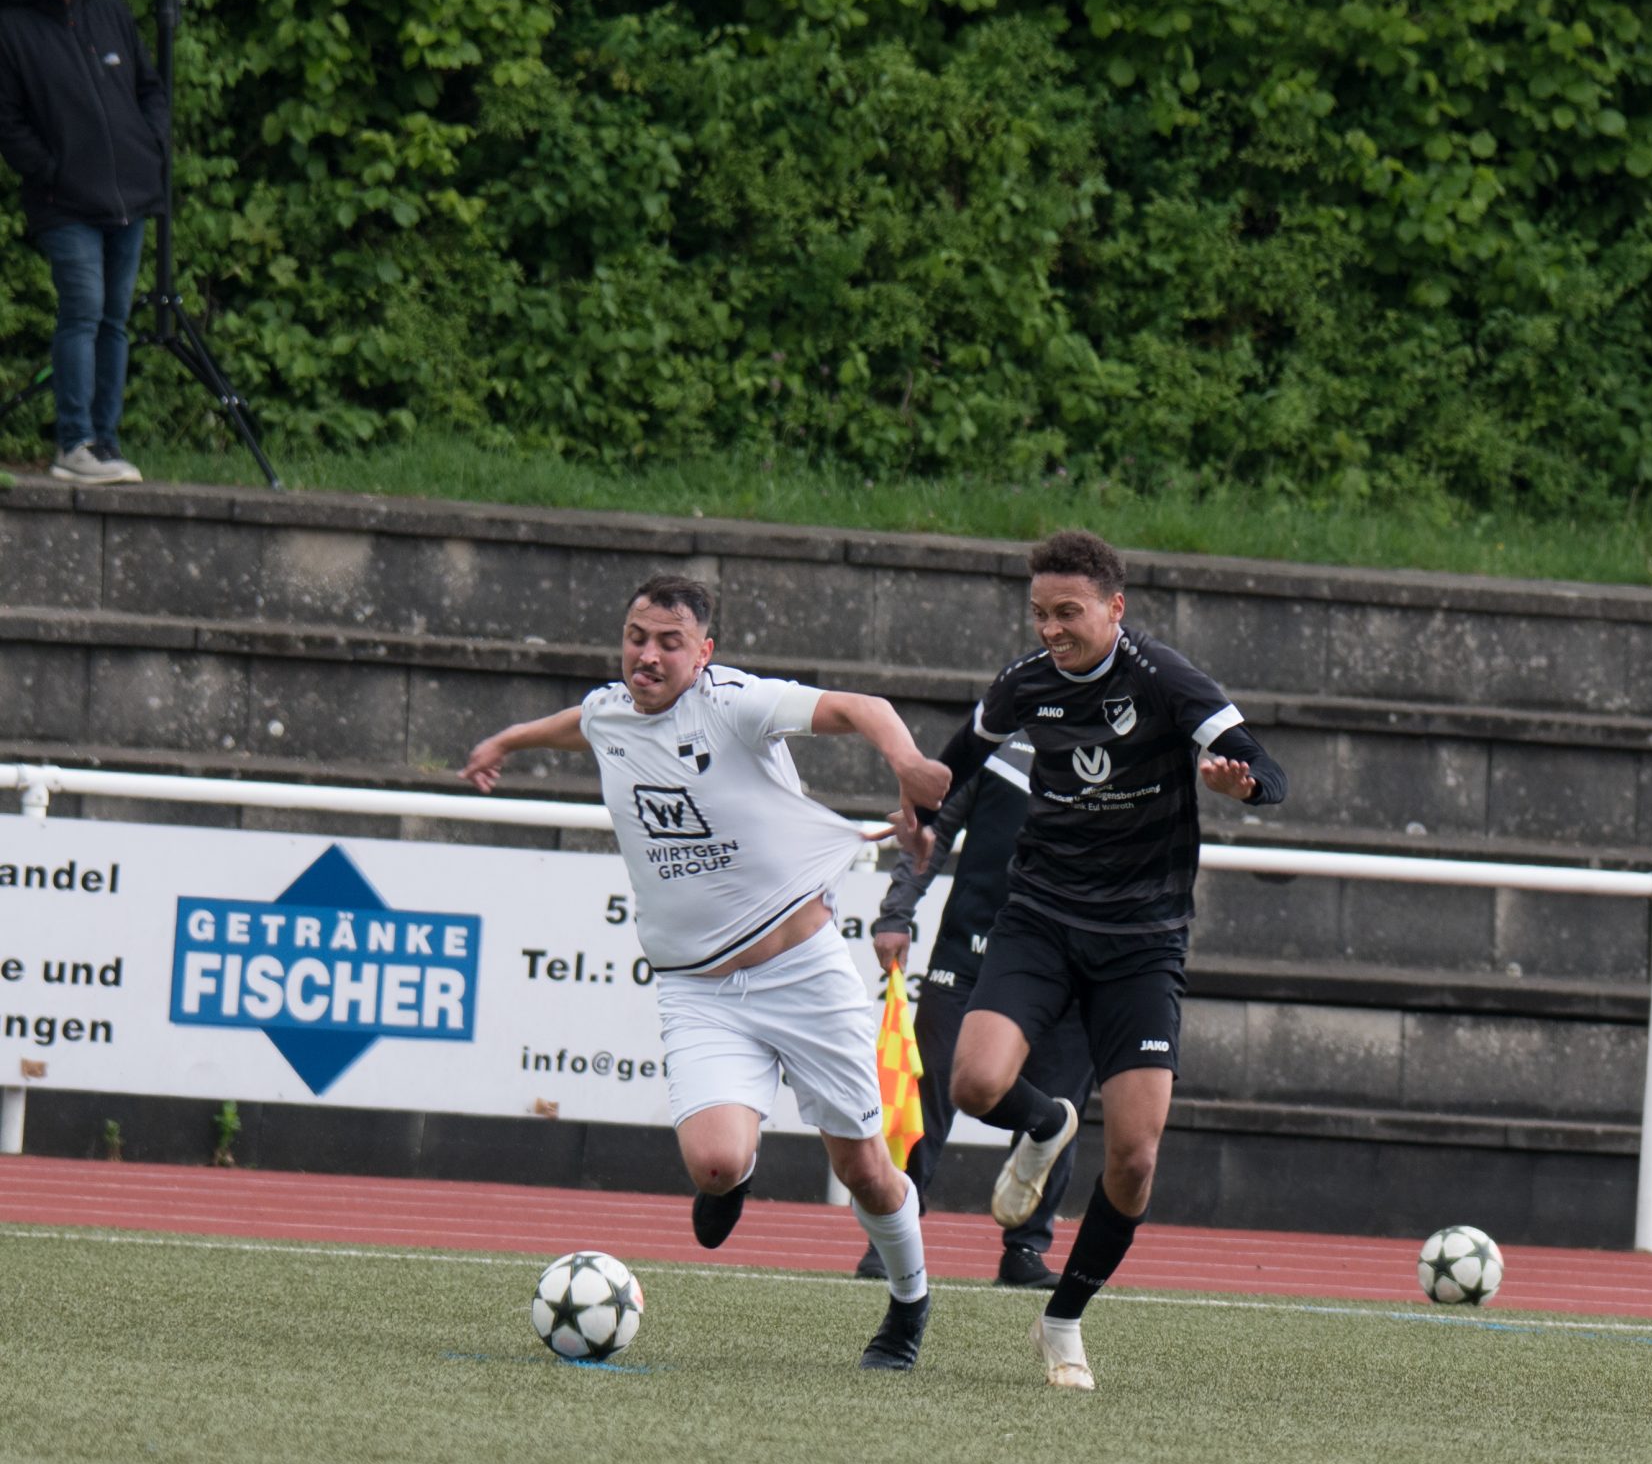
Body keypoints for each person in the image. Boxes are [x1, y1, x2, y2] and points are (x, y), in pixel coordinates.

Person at [462, 574, 951, 1372]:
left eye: (670, 642)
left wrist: (908, 762)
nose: (647, 656)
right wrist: (507, 742)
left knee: (863, 1169)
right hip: (699, 987)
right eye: (636, 637)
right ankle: (732, 1179)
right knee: (715, 1163)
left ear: (704, 653)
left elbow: (861, 707)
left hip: (804, 974)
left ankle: (908, 1303)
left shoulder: (735, 704)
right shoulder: (610, 711)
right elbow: (577, 724)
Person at [923, 529, 1287, 1391]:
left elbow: (1268, 769)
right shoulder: (1026, 681)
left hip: (1142, 943)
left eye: (1069, 612)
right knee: (973, 1081)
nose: (1051, 628)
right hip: (1041, 919)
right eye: (1039, 613)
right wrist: (921, 807)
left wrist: (1239, 783)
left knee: (1134, 1157)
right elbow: (961, 756)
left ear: (1115, 609)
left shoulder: (1165, 679)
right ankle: (1046, 1122)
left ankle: (1063, 1318)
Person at [863, 730, 1097, 1290]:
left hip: (1075, 962)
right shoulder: (995, 739)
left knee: (1061, 1099)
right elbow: (934, 828)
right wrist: (897, 912)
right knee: (930, 1085)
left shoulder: (1131, 754)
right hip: (969, 952)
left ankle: (1025, 1249)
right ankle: (894, 1233)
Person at [0, 0, 165, 487]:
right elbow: (7, 121)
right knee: (83, 310)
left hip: (129, 197)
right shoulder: (10, 29)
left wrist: (151, 145)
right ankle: (75, 441)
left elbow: (149, 88)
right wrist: (51, 170)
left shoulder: (110, 14)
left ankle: (105, 441)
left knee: (114, 320)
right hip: (64, 202)